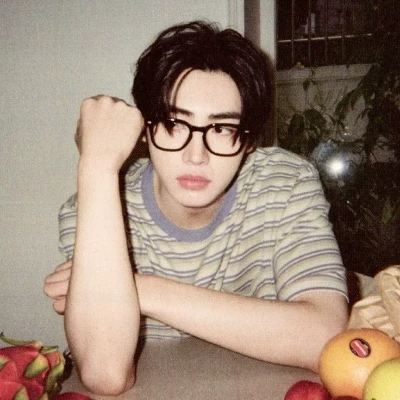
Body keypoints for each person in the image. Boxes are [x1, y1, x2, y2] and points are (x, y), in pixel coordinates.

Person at [44, 21, 348, 395]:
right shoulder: (99, 205)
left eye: (221, 129)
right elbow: (105, 374)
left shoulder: (285, 184)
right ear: (145, 129)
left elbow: (327, 338)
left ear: (249, 140)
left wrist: (139, 289)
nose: (195, 155)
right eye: (174, 123)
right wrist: (96, 164)